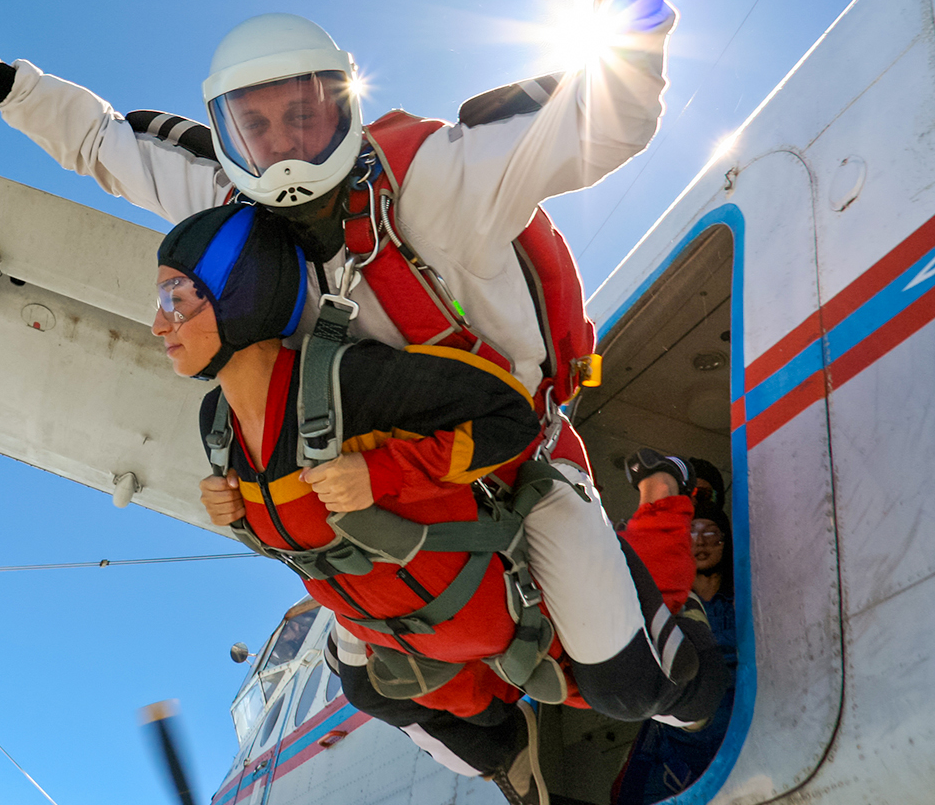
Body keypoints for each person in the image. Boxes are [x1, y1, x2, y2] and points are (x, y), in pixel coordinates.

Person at [0, 0, 693, 735]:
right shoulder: (236, 205)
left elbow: (608, 120)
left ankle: (665, 601)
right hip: (372, 468)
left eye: (301, 115)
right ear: (228, 133)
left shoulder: (435, 182)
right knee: (367, 681)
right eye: (254, 126)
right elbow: (105, 146)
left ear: (343, 104)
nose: (280, 143)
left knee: (631, 688)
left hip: (513, 454)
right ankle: (494, 730)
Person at [155, 203, 728, 805]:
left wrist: (381, 473)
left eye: (175, 298)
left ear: (240, 294)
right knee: (366, 688)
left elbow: (511, 420)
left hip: (489, 577)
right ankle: (509, 752)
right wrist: (236, 511)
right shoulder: (215, 425)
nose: (158, 325)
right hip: (404, 621)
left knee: (643, 691)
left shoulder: (348, 382)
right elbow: (304, 532)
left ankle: (666, 508)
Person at [614, 491, 738, 803]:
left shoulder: (742, 605)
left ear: (725, 543)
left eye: (711, 534)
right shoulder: (665, 608)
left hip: (739, 721)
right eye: (692, 533)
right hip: (679, 731)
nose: (702, 542)